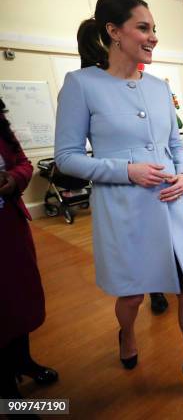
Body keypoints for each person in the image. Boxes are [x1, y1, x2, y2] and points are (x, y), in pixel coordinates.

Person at [54, 0, 183, 395]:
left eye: (154, 29)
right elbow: (66, 158)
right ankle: (126, 335)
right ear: (114, 31)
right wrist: (125, 170)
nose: (152, 37)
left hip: (171, 204)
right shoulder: (81, 85)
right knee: (131, 297)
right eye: (143, 28)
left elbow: (174, 145)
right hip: (124, 210)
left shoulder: (158, 87)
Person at [0, 98, 59, 399]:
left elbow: (23, 163)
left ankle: (22, 361)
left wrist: (12, 179)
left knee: (20, 300)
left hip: (10, 229)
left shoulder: (1, 127)